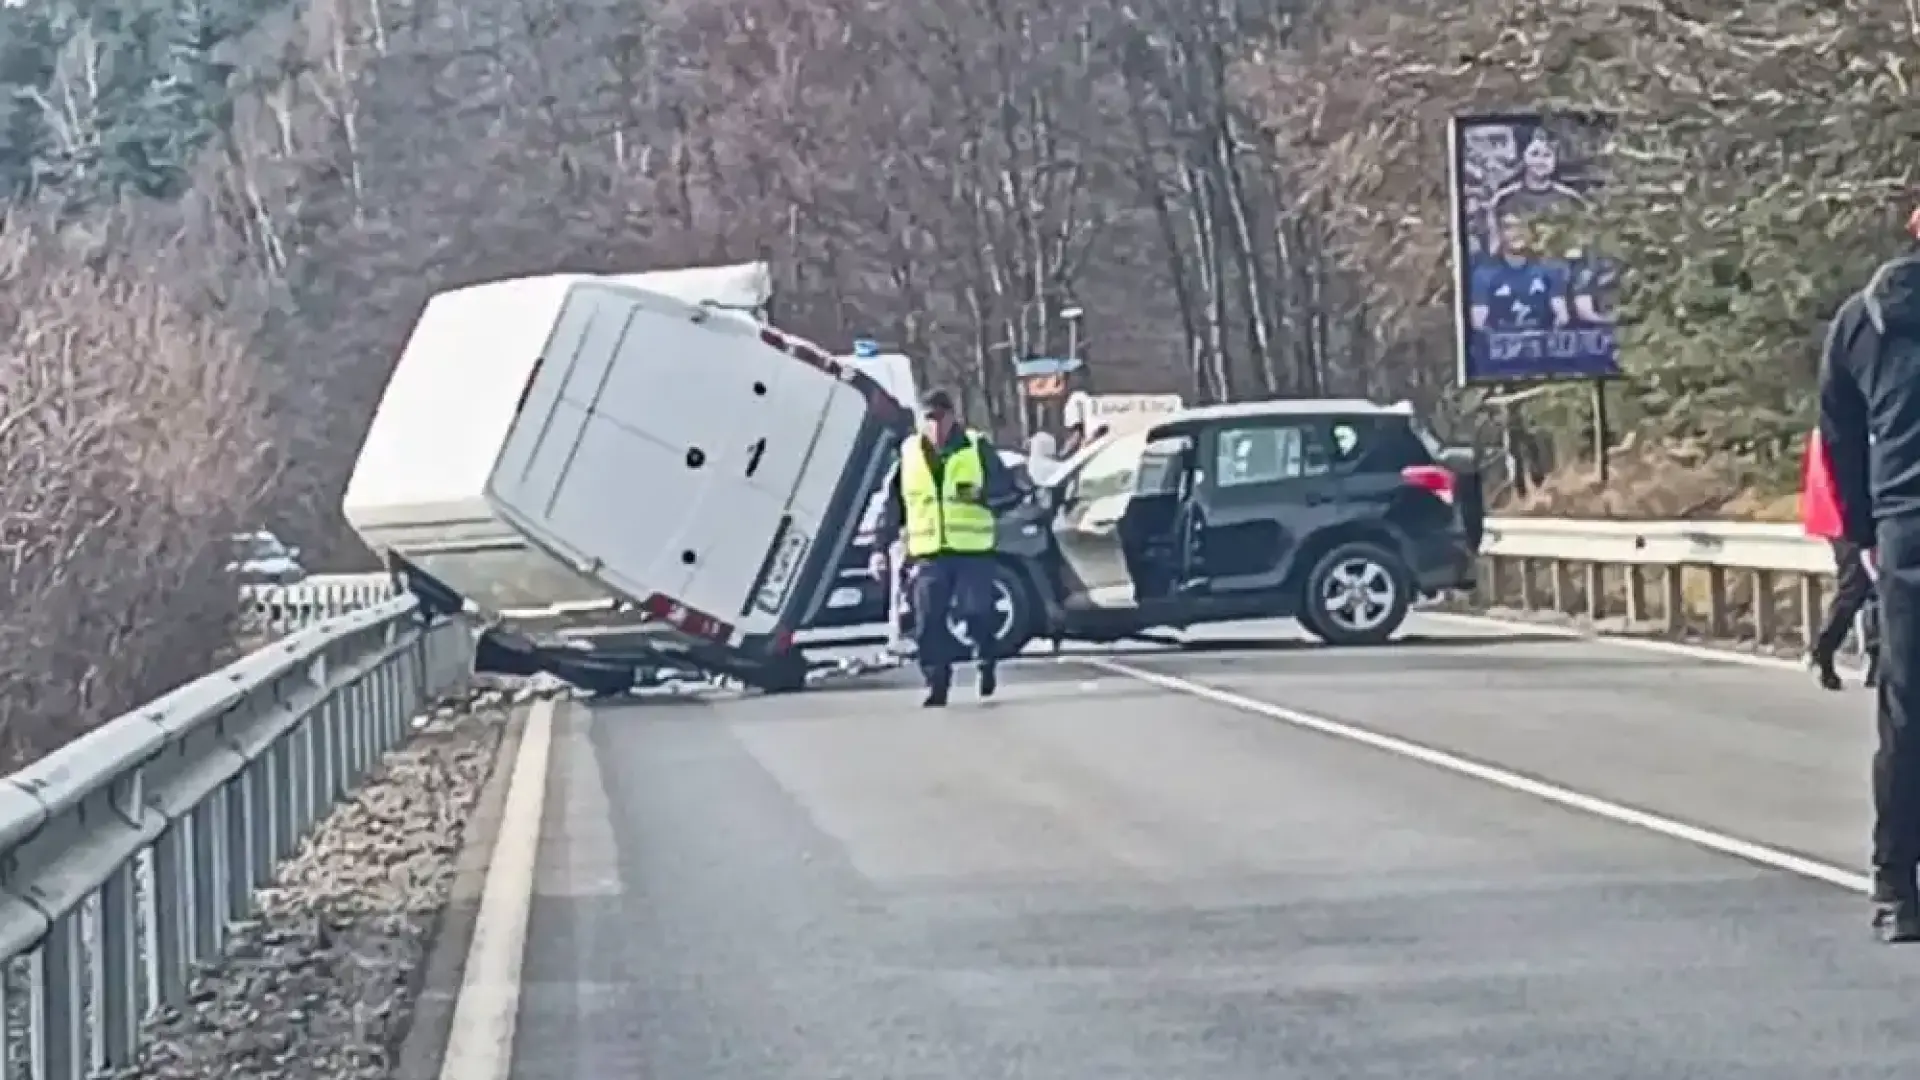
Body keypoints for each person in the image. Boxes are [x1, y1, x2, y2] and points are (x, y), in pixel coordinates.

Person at [1819, 231, 1920, 942]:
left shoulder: (1861, 318)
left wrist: (1864, 535)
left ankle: (1895, 889)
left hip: (1906, 531)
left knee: (1908, 718)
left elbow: (1838, 437)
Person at [869, 389, 1023, 707]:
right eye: (929, 420)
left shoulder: (975, 448)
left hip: (972, 550)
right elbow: (894, 506)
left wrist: (981, 495)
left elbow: (1008, 490)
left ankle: (986, 657)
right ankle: (936, 683)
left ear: (953, 417)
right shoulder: (909, 453)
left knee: (976, 613)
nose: (935, 426)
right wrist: (879, 548)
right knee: (927, 621)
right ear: (920, 421)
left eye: (941, 418)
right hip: (929, 552)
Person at [1801, 424, 1881, 690]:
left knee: (1877, 586)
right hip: (1844, 517)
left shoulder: (1845, 424)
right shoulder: (1838, 427)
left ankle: (1877, 660)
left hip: (1854, 514)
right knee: (1856, 586)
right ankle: (1822, 650)